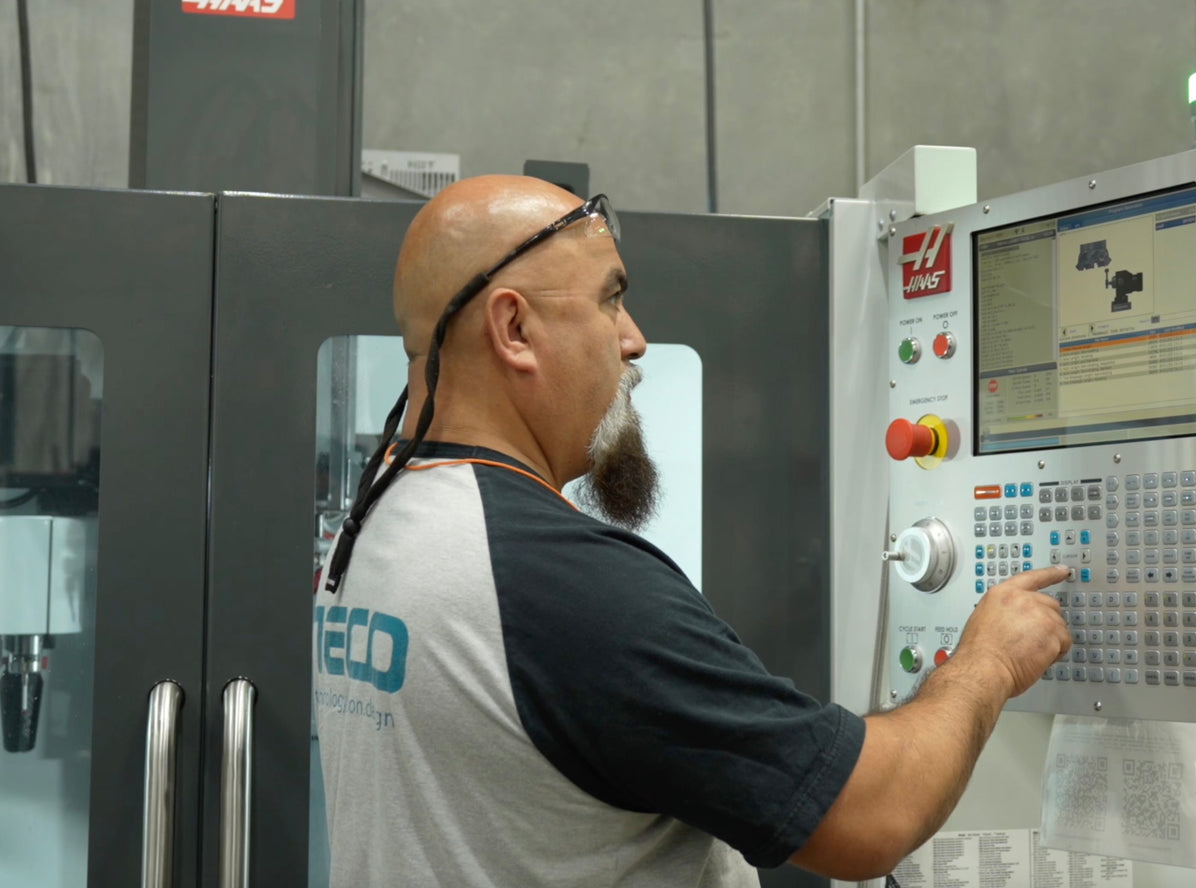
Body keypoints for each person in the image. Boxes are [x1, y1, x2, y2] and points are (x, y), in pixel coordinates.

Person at [312, 175, 1073, 887]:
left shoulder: (378, 515)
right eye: (611, 301)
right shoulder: (560, 586)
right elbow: (870, 815)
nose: (634, 339)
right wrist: (987, 663)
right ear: (514, 327)